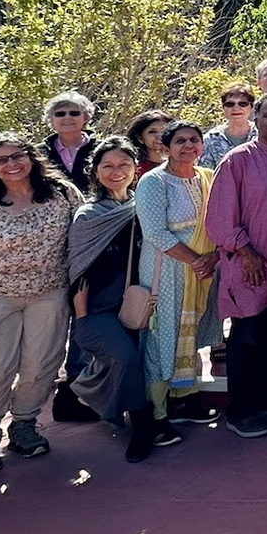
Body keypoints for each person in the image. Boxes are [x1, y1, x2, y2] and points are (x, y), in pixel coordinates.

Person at [0, 135, 81, 476]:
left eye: (17, 156)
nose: (12, 164)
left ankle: (24, 424)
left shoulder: (62, 194)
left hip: (50, 294)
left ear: (31, 157)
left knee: (41, 365)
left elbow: (83, 238)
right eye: (1, 160)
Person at [67, 137, 181, 462]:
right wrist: (83, 319)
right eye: (108, 166)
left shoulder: (143, 207)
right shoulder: (89, 215)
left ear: (135, 169)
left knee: (147, 359)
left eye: (124, 165)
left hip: (142, 301)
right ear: (95, 172)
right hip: (100, 308)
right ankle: (143, 426)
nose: (116, 172)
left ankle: (152, 413)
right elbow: (79, 270)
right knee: (125, 356)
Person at [205, 92, 267, 439]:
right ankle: (241, 411)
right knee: (248, 337)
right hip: (250, 265)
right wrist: (245, 251)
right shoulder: (237, 160)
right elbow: (219, 219)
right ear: (257, 119)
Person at [132, 122, 222, 429]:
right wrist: (197, 261)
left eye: (194, 140)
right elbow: (155, 232)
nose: (188, 146)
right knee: (163, 338)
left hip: (204, 271)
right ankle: (157, 413)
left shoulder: (208, 177)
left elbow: (222, 223)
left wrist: (213, 257)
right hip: (167, 270)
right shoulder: (154, 181)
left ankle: (184, 399)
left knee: (190, 334)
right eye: (180, 141)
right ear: (165, 147)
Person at [41, 93, 97, 188]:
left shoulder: (101, 149)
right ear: (51, 119)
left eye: (74, 113)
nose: (67, 117)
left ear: (85, 117)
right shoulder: (39, 153)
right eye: (60, 114)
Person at [199, 82, 258, 170]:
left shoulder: (262, 135)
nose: (236, 108)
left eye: (242, 103)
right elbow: (206, 173)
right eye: (230, 104)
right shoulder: (210, 139)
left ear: (252, 107)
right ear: (223, 108)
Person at [126, 109, 172, 177]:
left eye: (164, 131)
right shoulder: (134, 170)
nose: (159, 136)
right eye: (152, 132)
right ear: (140, 138)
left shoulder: (182, 165)